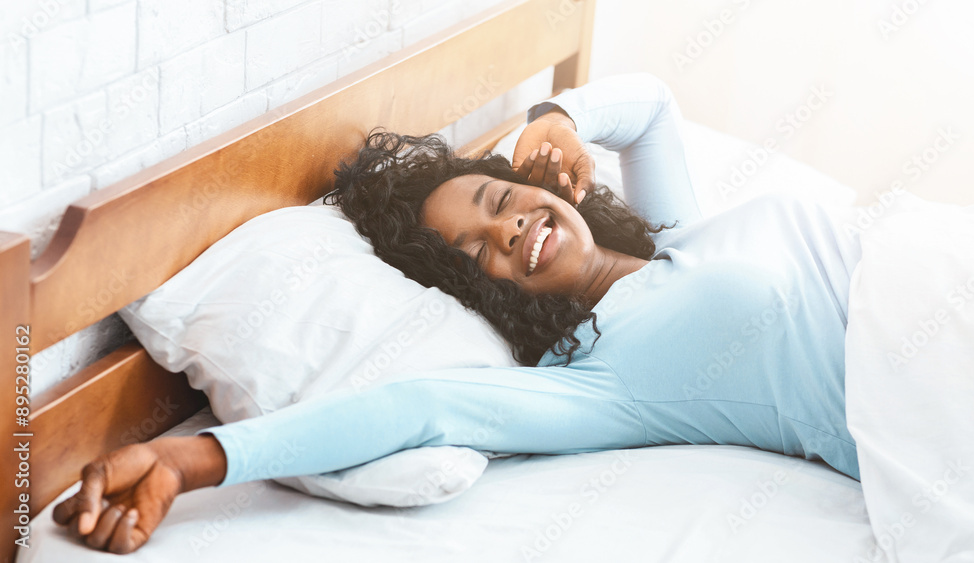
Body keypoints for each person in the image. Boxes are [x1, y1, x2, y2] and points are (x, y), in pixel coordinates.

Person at [52, 73, 864, 554]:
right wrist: (190, 460)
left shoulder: (674, 237)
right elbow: (419, 407)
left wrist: (557, 118)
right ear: (485, 295)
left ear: (533, 184)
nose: (508, 232)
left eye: (499, 203)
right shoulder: (602, 379)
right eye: (478, 254)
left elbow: (650, 106)